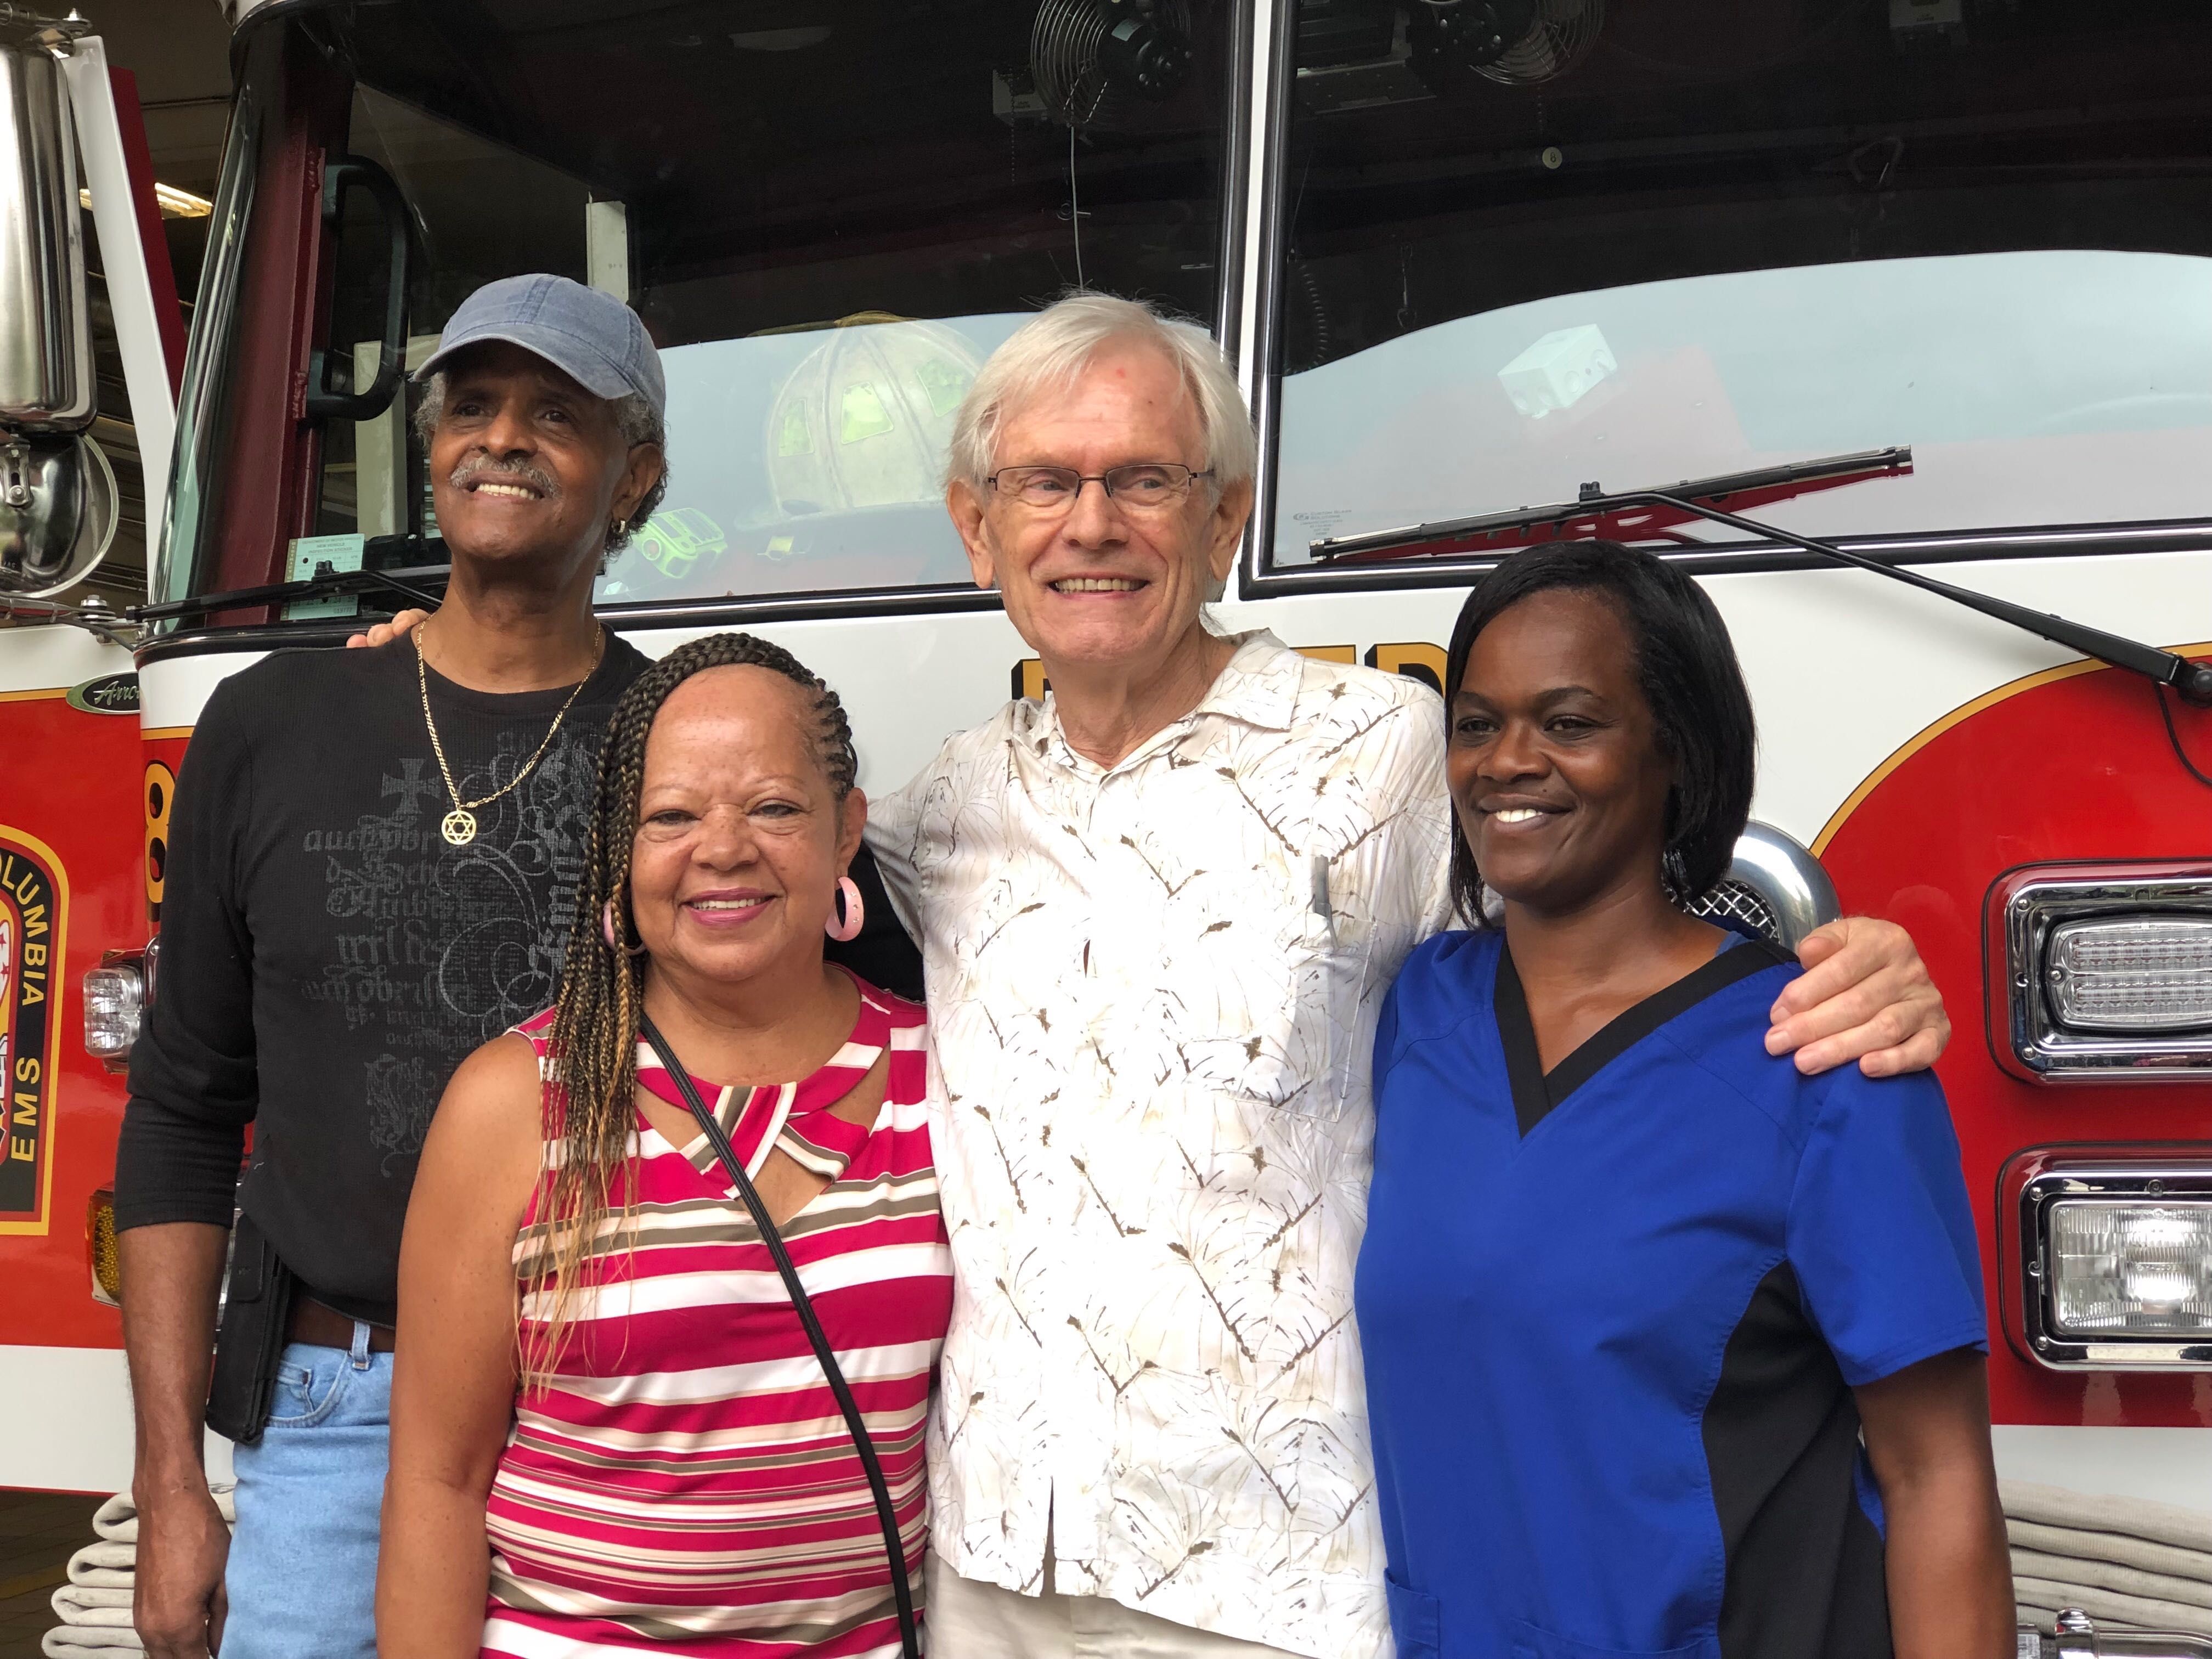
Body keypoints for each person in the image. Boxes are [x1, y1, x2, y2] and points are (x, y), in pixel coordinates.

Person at [365, 290, 1953, 1659]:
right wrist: (437, 660)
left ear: (1223, 516)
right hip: (991, 1576)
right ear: (976, 526)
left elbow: (1610, 906)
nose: (1093, 524)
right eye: (1045, 483)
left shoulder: (1391, 755)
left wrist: (1844, 964)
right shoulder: (940, 811)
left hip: (1280, 1580)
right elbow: (734, 846)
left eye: (1143, 479)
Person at [114, 274, 673, 1659]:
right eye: (471, 407)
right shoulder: (271, 722)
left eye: (557, 414)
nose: (503, 439)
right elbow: (183, 1111)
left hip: (617, 1412)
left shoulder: (688, 739)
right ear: (430, 453)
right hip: (335, 1409)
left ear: (636, 474)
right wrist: (172, 1485)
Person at [1355, 540, 2012, 1659]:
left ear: (1678, 751)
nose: (1509, 761)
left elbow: (1935, 1473)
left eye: (1570, 722)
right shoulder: (1415, 1010)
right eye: (1477, 724)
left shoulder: (1824, 1059)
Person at [377, 633, 950, 1658]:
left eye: (774, 808)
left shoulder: (949, 1073)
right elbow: (438, 1483)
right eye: (671, 817)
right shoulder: (513, 1103)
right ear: (619, 851)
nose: (723, 850)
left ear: (847, 833)